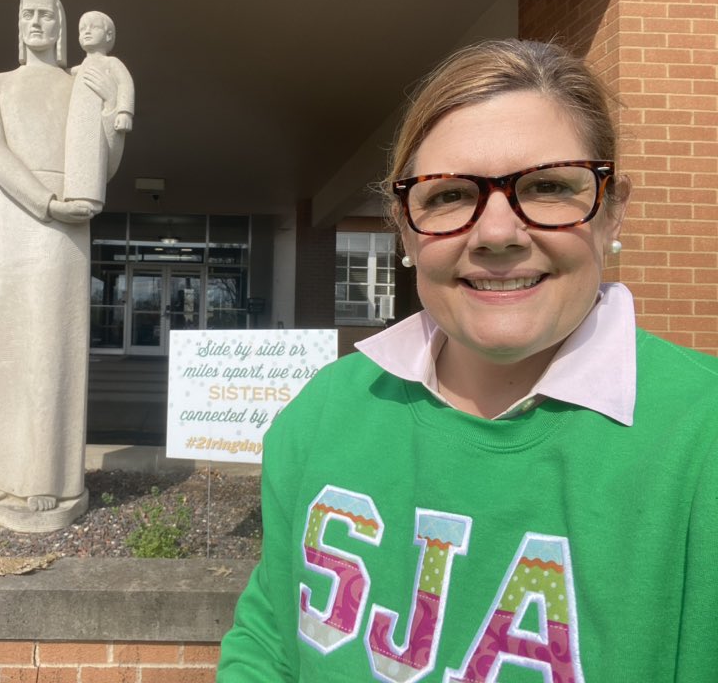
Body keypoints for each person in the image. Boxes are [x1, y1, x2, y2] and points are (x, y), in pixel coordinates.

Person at [218, 39, 718, 681]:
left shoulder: (700, 443)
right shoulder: (323, 413)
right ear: (405, 227)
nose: (497, 233)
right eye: (449, 195)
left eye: (546, 186)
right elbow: (269, 644)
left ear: (610, 210)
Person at [0, 0, 123, 531]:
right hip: (21, 214)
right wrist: (44, 202)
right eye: (27, 14)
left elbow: (99, 164)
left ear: (61, 26)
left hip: (67, 226)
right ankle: (1, 476)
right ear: (17, 25)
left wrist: (113, 116)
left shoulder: (78, 82)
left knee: (54, 346)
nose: (36, 22)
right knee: (12, 341)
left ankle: (51, 479)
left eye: (46, 14)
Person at [63, 10, 134, 208]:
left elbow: (126, 84)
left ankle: (88, 194)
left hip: (97, 121)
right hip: (78, 122)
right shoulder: (80, 67)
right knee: (78, 153)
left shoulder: (111, 63)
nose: (86, 32)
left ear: (108, 35)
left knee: (93, 153)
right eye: (82, 29)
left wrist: (124, 111)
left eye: (93, 27)